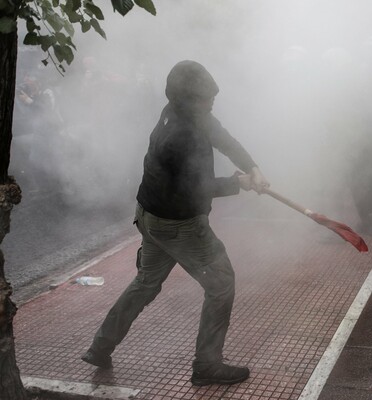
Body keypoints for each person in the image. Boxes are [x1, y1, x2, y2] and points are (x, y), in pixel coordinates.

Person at [81, 60, 270, 387]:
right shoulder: (181, 135)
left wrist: (251, 165)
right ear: (189, 100)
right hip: (177, 223)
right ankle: (207, 364)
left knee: (145, 283)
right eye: (206, 97)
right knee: (221, 284)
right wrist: (239, 183)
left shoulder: (181, 111)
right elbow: (196, 187)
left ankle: (100, 347)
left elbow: (221, 136)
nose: (212, 101)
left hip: (150, 216)